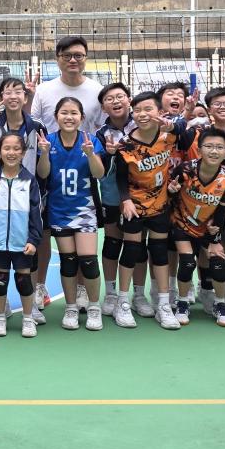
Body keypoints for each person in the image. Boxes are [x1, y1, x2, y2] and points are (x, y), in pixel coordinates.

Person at [28, 36, 104, 309]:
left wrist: (94, 155)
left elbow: (103, 128)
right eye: (67, 55)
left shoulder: (96, 90)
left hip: (83, 168)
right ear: (57, 58)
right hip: (49, 166)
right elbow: (33, 124)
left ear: (86, 58)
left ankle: (83, 290)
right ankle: (39, 286)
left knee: (83, 245)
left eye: (79, 55)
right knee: (44, 232)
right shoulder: (44, 90)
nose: (73, 60)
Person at [113, 91, 187, 331]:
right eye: (137, 111)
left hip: (161, 204)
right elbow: (120, 176)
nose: (142, 114)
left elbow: (185, 132)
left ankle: (163, 304)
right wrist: (125, 200)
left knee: (159, 252)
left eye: (148, 109)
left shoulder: (168, 135)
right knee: (131, 250)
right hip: (135, 205)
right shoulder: (126, 144)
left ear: (159, 112)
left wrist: (173, 125)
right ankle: (123, 302)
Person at [36, 98, 106, 331]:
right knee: (68, 261)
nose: (69, 117)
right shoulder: (49, 141)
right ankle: (71, 307)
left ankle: (94, 307)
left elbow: (99, 174)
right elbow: (43, 174)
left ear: (81, 117)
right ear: (56, 117)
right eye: (64, 113)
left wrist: (91, 155)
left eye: (74, 113)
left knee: (88, 260)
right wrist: (44, 153)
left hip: (84, 210)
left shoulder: (90, 140)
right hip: (58, 210)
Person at [168, 127, 225, 327]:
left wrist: (215, 239)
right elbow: (170, 195)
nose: (214, 151)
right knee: (187, 262)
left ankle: (220, 304)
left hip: (208, 228)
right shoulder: (186, 170)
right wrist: (171, 191)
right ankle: (182, 303)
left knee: (218, 262)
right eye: (209, 146)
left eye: (219, 147)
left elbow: (221, 210)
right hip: (182, 223)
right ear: (199, 150)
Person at [0, 133, 42, 338]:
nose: (11, 153)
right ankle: (0, 317)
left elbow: (36, 214)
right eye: (6, 148)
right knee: (0, 280)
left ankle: (28, 318)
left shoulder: (29, 180)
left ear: (23, 153)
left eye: (16, 149)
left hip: (22, 242)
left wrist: (34, 240)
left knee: (24, 281)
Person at [93, 82, 134, 318]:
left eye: (120, 96)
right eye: (109, 99)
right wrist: (110, 155)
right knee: (112, 242)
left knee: (135, 245)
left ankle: (137, 294)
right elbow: (101, 171)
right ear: (103, 107)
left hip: (141, 196)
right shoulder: (101, 134)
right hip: (111, 195)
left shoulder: (142, 124)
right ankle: (110, 293)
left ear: (129, 100)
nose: (116, 101)